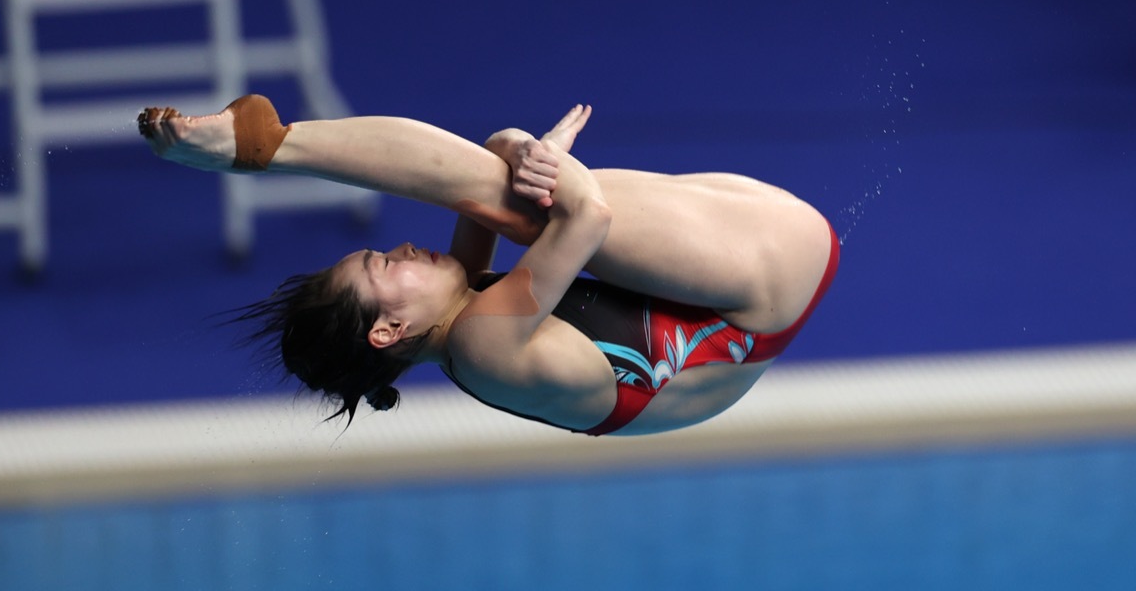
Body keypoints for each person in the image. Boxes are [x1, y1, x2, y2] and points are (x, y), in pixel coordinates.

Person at [138, 95, 838, 436]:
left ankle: (264, 147)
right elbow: (587, 217)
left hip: (752, 284)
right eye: (383, 264)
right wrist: (545, 157)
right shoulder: (482, 345)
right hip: (762, 285)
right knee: (525, 201)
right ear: (388, 330)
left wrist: (520, 148)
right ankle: (261, 148)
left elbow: (484, 174)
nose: (402, 249)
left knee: (512, 192)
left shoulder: (461, 330)